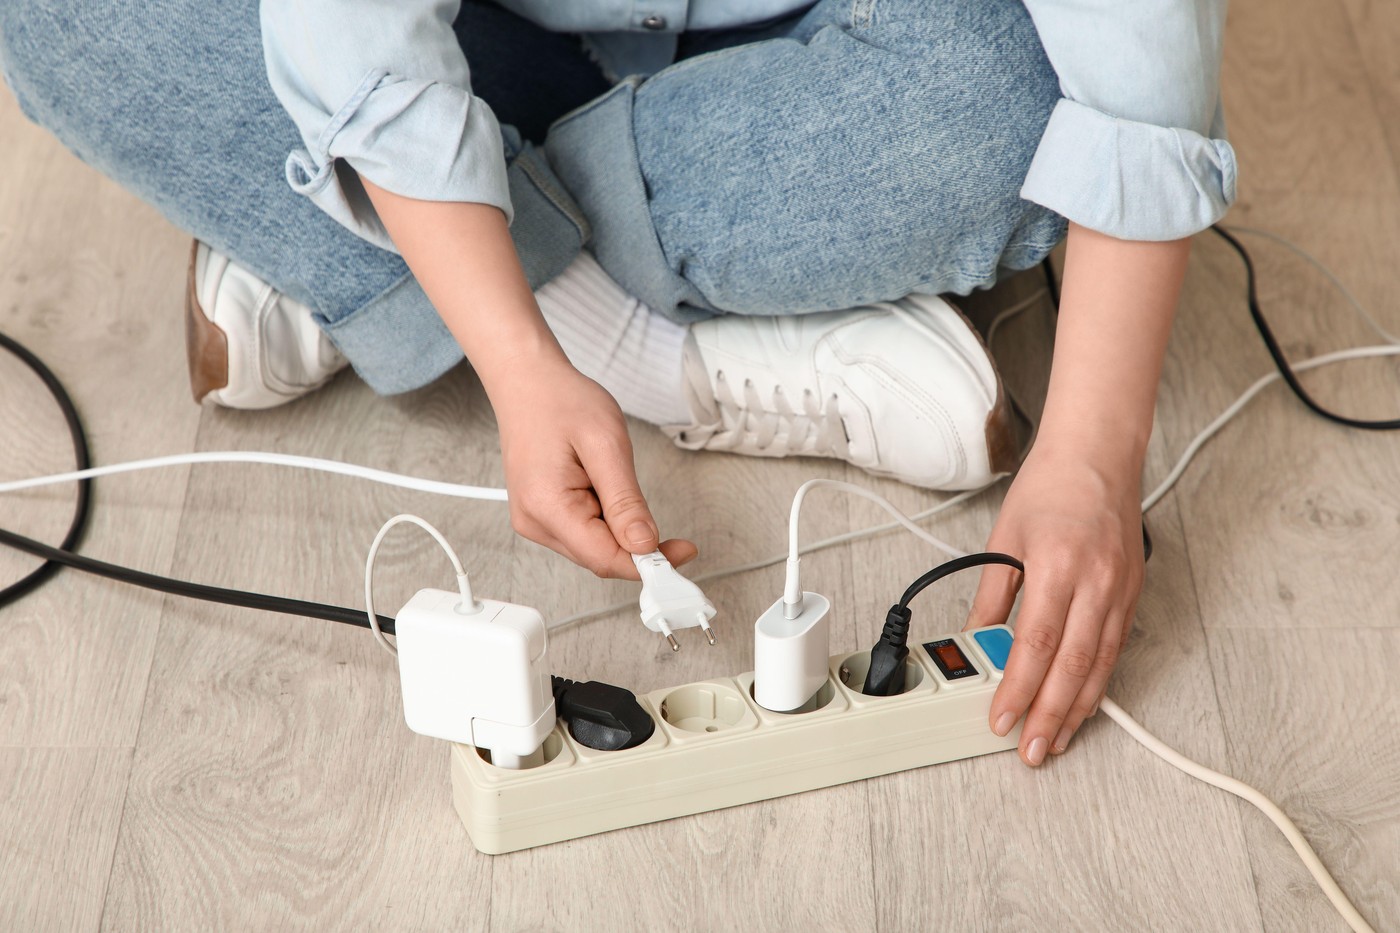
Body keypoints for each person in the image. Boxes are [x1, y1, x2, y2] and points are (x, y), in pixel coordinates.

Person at [0, 0, 1234, 768]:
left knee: (1001, 85)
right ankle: (643, 339)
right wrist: (527, 359)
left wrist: (1087, 455)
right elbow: (347, 28)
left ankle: (343, 247)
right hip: (465, 33)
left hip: (801, 59)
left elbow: (1132, 49)